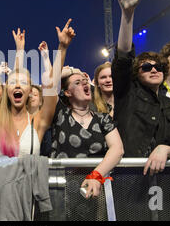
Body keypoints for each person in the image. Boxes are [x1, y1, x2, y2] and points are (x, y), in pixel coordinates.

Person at [0, 17, 75, 157]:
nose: (17, 85)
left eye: (23, 83)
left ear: (30, 91)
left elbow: (52, 85)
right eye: (12, 82)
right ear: (7, 90)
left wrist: (63, 48)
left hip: (30, 179)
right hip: (0, 179)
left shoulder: (38, 121)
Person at [112, 0, 170, 175]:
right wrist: (127, 16)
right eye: (146, 68)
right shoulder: (127, 94)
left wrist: (166, 149)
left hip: (168, 186)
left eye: (158, 67)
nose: (154, 69)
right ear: (136, 74)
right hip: (128, 182)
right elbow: (123, 56)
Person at [50, 66, 123, 198]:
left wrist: (95, 176)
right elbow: (50, 83)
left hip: (95, 190)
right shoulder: (59, 114)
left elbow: (117, 149)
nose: (84, 83)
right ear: (67, 92)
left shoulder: (103, 118)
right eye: (77, 83)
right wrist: (74, 71)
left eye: (85, 81)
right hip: (63, 191)